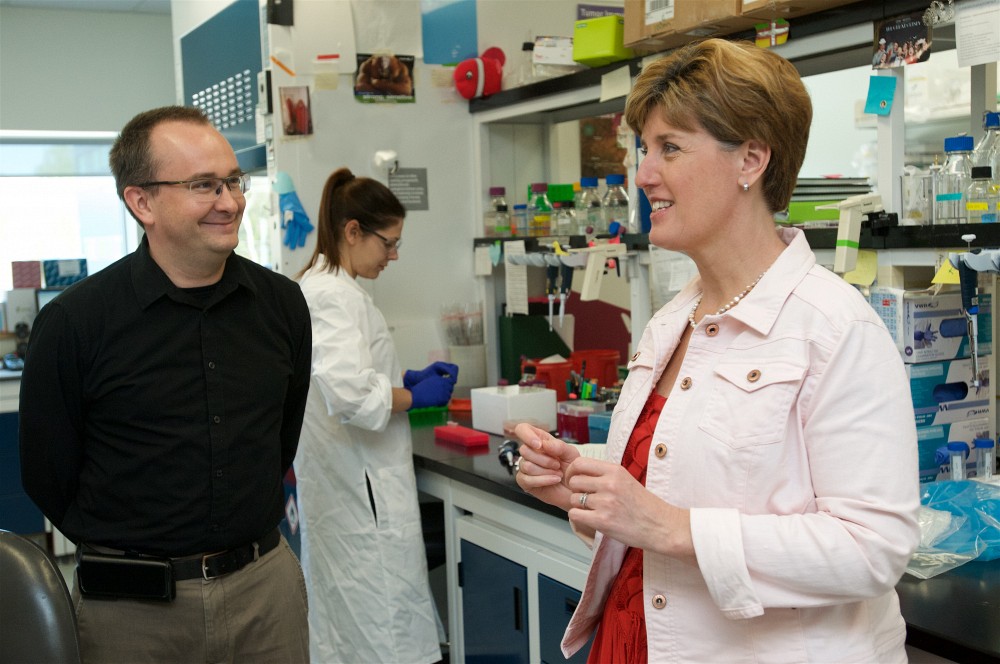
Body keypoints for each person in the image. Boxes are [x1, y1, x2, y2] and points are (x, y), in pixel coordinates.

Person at [514, 39, 920, 663]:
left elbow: (875, 549)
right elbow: (664, 506)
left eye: (670, 148)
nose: (644, 175)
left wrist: (668, 526)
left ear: (750, 160)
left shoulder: (834, 329)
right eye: (643, 150)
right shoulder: (670, 323)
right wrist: (585, 489)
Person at [18, 105, 312, 663]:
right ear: (142, 202)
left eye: (233, 181)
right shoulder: (76, 323)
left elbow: (280, 440)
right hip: (133, 613)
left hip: (264, 596)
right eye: (204, 185)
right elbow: (47, 474)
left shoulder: (281, 305)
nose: (229, 202)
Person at [295, 167, 453, 664]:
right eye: (389, 242)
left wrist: (402, 379)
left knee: (363, 631)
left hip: (352, 486)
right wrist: (414, 397)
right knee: (379, 632)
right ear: (352, 231)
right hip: (360, 496)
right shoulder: (331, 296)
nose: (394, 255)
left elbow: (349, 376)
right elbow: (350, 396)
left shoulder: (332, 288)